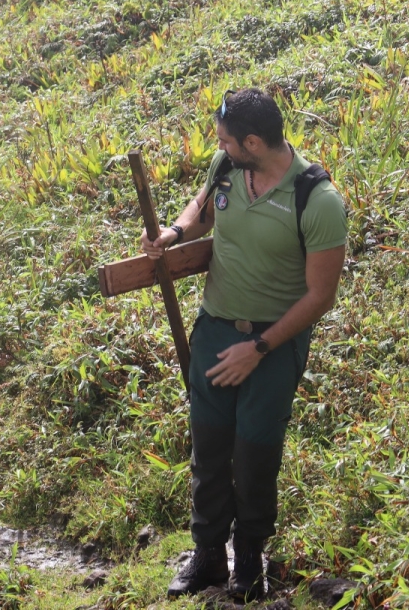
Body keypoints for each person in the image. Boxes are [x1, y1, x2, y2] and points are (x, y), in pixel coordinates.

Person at [140, 89, 347, 601]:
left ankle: (250, 555)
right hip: (215, 328)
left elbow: (321, 296)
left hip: (274, 343)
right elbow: (202, 209)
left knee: (255, 450)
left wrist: (258, 348)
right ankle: (208, 553)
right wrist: (174, 232)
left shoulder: (318, 201)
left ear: (253, 141)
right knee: (208, 445)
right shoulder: (228, 168)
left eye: (226, 140)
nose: (219, 147)